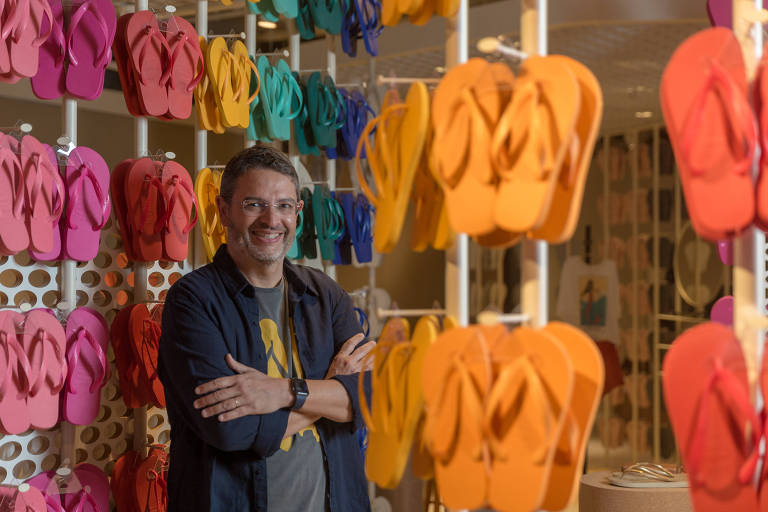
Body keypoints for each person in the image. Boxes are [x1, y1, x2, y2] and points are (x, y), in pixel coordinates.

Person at [158, 146, 376, 511]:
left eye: (285, 206)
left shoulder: (326, 295)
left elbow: (369, 398)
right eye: (254, 204)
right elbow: (230, 430)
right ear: (223, 209)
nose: (271, 219)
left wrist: (282, 392)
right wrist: (332, 395)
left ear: (298, 212)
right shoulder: (192, 301)